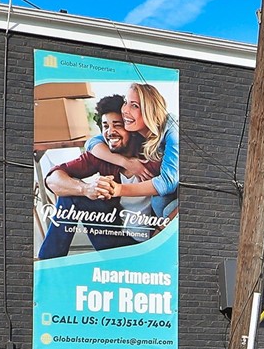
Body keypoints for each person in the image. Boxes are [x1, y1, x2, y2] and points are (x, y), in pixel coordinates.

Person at [37, 97, 138, 259]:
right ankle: (48, 264)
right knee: (70, 195)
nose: (110, 131)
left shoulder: (152, 155)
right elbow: (52, 178)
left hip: (149, 243)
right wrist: (85, 189)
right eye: (106, 126)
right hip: (113, 238)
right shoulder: (102, 155)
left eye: (118, 125)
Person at [80, 81, 178, 239]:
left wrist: (118, 189)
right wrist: (125, 162)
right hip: (155, 212)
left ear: (150, 110)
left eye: (134, 106)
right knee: (159, 202)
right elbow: (92, 143)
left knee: (163, 206)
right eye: (126, 102)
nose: (125, 110)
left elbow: (167, 183)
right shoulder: (135, 130)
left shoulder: (172, 130)